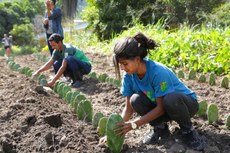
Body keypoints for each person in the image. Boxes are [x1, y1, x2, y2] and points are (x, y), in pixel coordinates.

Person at [100, 32, 205, 151]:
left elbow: (161, 107)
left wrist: (134, 124)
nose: (123, 68)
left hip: (185, 106)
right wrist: (112, 133)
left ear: (137, 59)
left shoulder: (158, 72)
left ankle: (188, 131)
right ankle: (160, 128)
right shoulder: (128, 76)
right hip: (163, 108)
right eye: (121, 65)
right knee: (136, 99)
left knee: (171, 99)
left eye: (125, 64)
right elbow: (128, 109)